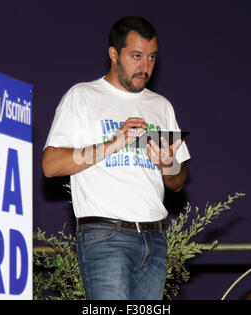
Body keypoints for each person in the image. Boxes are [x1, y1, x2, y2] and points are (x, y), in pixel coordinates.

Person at [42, 16, 191, 300]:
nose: (144, 67)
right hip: (105, 236)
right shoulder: (82, 96)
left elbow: (178, 181)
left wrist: (166, 164)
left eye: (151, 58)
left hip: (155, 238)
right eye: (136, 56)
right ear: (113, 54)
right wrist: (111, 144)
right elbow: (50, 165)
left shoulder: (161, 106)